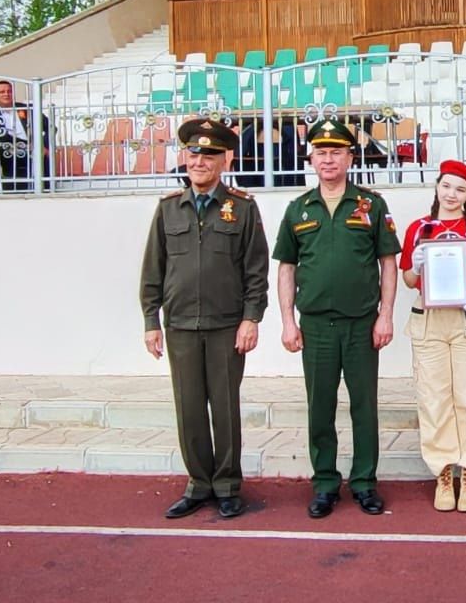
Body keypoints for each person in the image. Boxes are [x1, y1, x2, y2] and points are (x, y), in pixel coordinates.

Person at [139, 118, 269, 520]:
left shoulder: (243, 208)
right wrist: (150, 321)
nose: (200, 161)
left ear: (224, 160)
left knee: (225, 408)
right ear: (185, 157)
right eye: (194, 153)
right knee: (190, 408)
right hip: (179, 326)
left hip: (227, 325)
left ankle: (228, 485)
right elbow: (152, 271)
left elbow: (256, 269)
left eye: (209, 155)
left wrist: (252, 318)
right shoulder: (167, 210)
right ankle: (198, 483)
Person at [272, 119, 401, 519]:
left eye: (337, 152)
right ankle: (325, 483)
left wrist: (385, 316)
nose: (329, 159)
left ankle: (364, 482)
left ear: (349, 157)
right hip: (315, 327)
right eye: (321, 152)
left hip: (362, 325)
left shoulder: (370, 205)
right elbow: (286, 269)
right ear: (311, 159)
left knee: (364, 407)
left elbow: (388, 264)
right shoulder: (298, 209)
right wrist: (287, 322)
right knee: (320, 407)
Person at [399, 160, 466, 512]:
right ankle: (443, 472)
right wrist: (417, 265)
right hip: (429, 321)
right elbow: (409, 281)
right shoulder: (418, 229)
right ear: (437, 187)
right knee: (434, 399)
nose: (452, 195)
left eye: (461, 190)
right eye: (447, 186)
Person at [0, 80, 51, 192]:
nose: (6, 94)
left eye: (9, 91)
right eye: (2, 92)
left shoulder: (27, 109)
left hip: (32, 150)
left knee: (43, 157)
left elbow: (51, 127)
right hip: (5, 151)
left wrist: (44, 145)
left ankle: (44, 191)